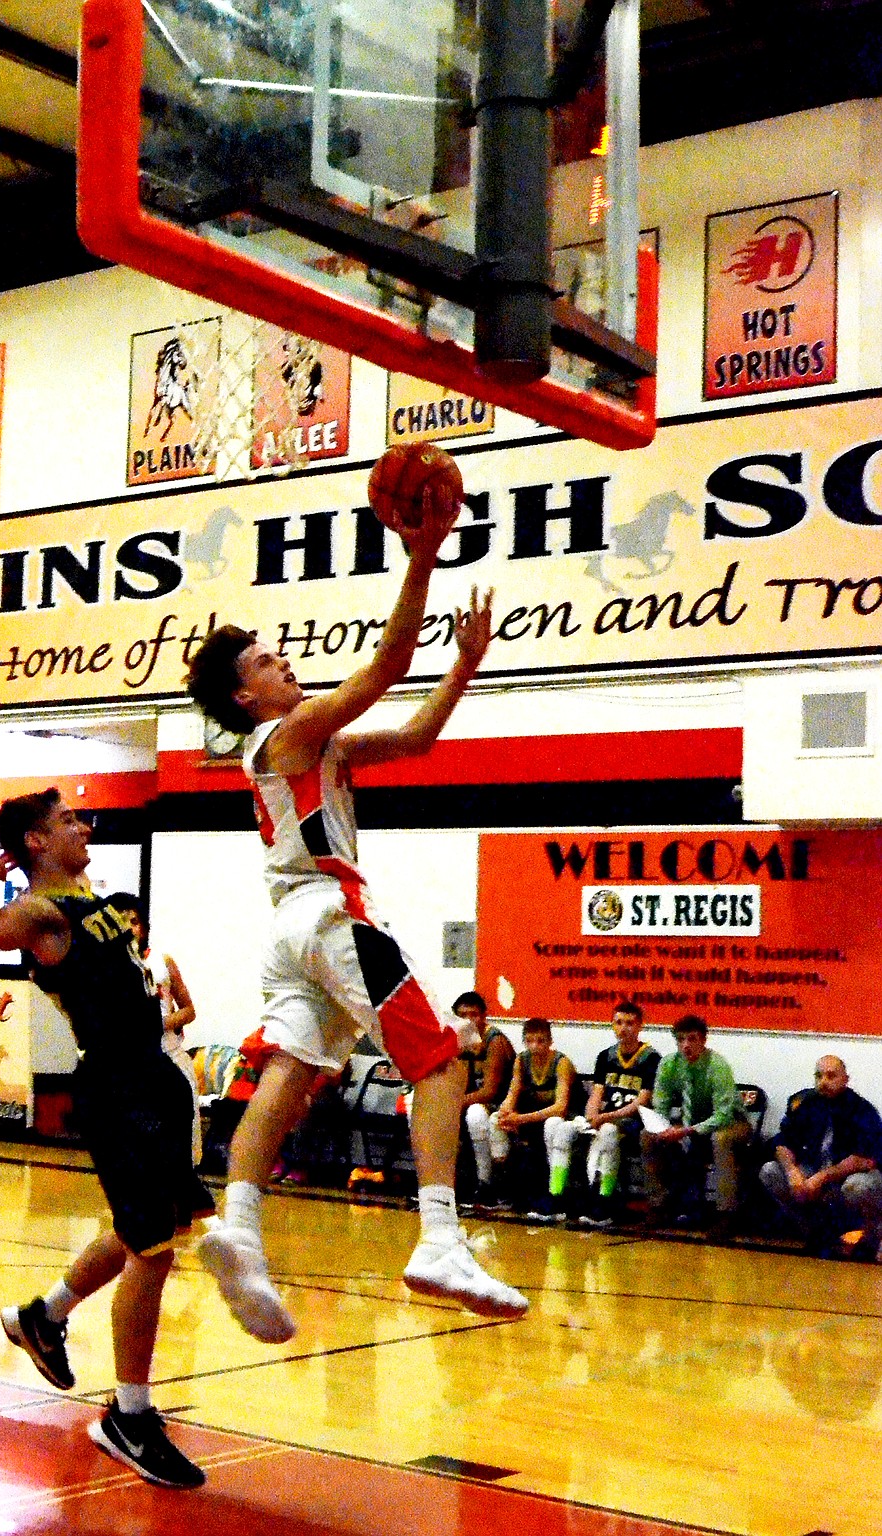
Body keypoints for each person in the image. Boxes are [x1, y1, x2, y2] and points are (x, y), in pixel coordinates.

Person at [184, 486, 528, 1342]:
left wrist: (466, 667)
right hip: (333, 912)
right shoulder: (287, 734)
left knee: (290, 1075)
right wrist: (421, 552)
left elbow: (414, 740)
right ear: (245, 696)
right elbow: (383, 669)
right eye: (266, 661)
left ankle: (241, 1226)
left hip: (292, 924)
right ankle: (439, 1238)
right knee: (443, 1064)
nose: (284, 663)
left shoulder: (307, 744)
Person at [0, 788, 213, 1490]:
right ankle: (128, 1417)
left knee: (161, 1224)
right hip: (118, 1086)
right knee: (152, 1250)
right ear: (37, 843)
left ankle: (44, 1315)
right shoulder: (42, 911)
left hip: (153, 1075)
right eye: (69, 819)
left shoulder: (89, 896)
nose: (85, 824)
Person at [548, 1001, 660, 1228]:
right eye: (618, 1022)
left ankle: (604, 1201)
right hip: (603, 1117)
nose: (624, 1028)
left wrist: (605, 1118)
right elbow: (596, 1094)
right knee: (561, 1129)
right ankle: (556, 1197)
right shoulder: (605, 1056)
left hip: (632, 1122)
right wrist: (591, 1115)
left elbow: (642, 1102)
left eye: (630, 1023)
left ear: (640, 1026)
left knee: (608, 1132)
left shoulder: (651, 1058)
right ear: (612, 1025)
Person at [109, 892, 202, 1166]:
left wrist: (159, 1023)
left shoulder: (163, 961)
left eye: (135, 921)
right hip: (130, 1066)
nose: (130, 928)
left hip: (170, 1057)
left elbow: (189, 1010)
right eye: (122, 922)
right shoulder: (107, 969)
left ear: (144, 927)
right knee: (136, 1153)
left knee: (181, 1148)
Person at [760, 1055, 882, 1260]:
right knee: (770, 1171)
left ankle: (870, 1238)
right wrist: (792, 1172)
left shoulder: (862, 1110)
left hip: (846, 1179)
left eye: (831, 1076)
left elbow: (863, 1159)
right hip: (813, 1173)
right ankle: (815, 1233)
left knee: (857, 1186)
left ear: (845, 1079)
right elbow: (781, 1142)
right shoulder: (805, 1104)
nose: (823, 1082)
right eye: (819, 1076)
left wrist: (821, 1178)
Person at [641, 1014, 750, 1235]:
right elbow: (660, 1103)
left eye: (692, 1039)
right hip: (689, 1121)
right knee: (647, 1135)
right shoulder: (669, 1064)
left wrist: (689, 1130)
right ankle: (658, 1205)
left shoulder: (717, 1065)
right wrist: (663, 1128)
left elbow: (724, 1114)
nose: (686, 1045)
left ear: (703, 1040)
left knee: (720, 1138)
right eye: (680, 1040)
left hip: (731, 1123)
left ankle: (725, 1213)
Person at [492, 1017, 579, 1219]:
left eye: (540, 1041)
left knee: (551, 1124)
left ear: (550, 1041)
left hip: (565, 1119)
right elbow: (512, 1094)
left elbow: (561, 1108)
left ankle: (555, 1194)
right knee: (494, 1120)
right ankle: (500, 1183)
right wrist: (506, 1114)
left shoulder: (561, 1063)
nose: (535, 1046)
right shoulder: (522, 1060)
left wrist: (520, 1119)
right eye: (530, 1041)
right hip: (533, 1117)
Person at [455, 991, 515, 1202]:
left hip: (504, 1103)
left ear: (484, 1016)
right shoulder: (458, 1041)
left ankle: (486, 1181)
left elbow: (490, 1091)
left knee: (475, 1114)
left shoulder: (494, 1041)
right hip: (474, 1101)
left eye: (474, 1015)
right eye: (463, 1015)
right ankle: (444, 1183)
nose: (469, 1020)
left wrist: (453, 1103)